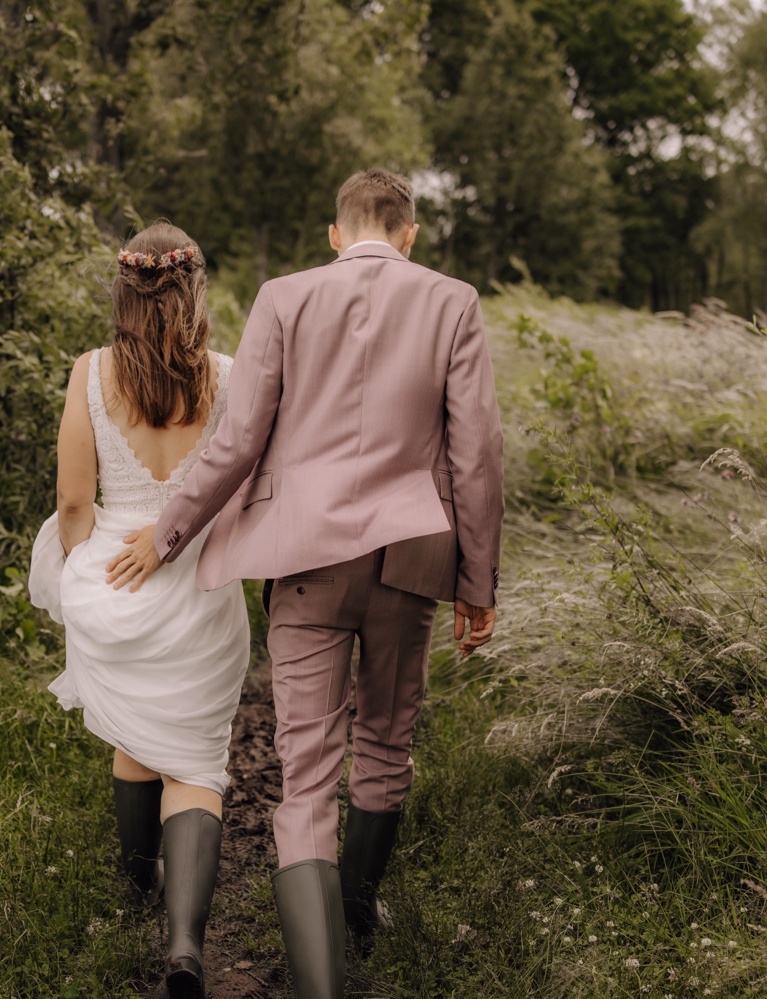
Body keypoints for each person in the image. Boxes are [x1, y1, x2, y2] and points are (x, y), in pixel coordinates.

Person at [107, 169, 504, 998]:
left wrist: (168, 530)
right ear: (410, 232)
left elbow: (239, 439)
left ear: (335, 234)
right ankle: (356, 911)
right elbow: (476, 451)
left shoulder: (284, 298)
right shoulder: (454, 301)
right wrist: (477, 579)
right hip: (411, 559)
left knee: (307, 769)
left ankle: (323, 981)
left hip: (307, 560)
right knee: (388, 742)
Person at [27, 223, 248, 999]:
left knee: (133, 735)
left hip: (116, 581)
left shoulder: (90, 373)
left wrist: (85, 573)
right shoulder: (228, 376)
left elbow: (72, 500)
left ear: (124, 291)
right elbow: (242, 489)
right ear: (195, 290)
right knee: (195, 760)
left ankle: (133, 891)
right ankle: (186, 944)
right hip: (200, 584)